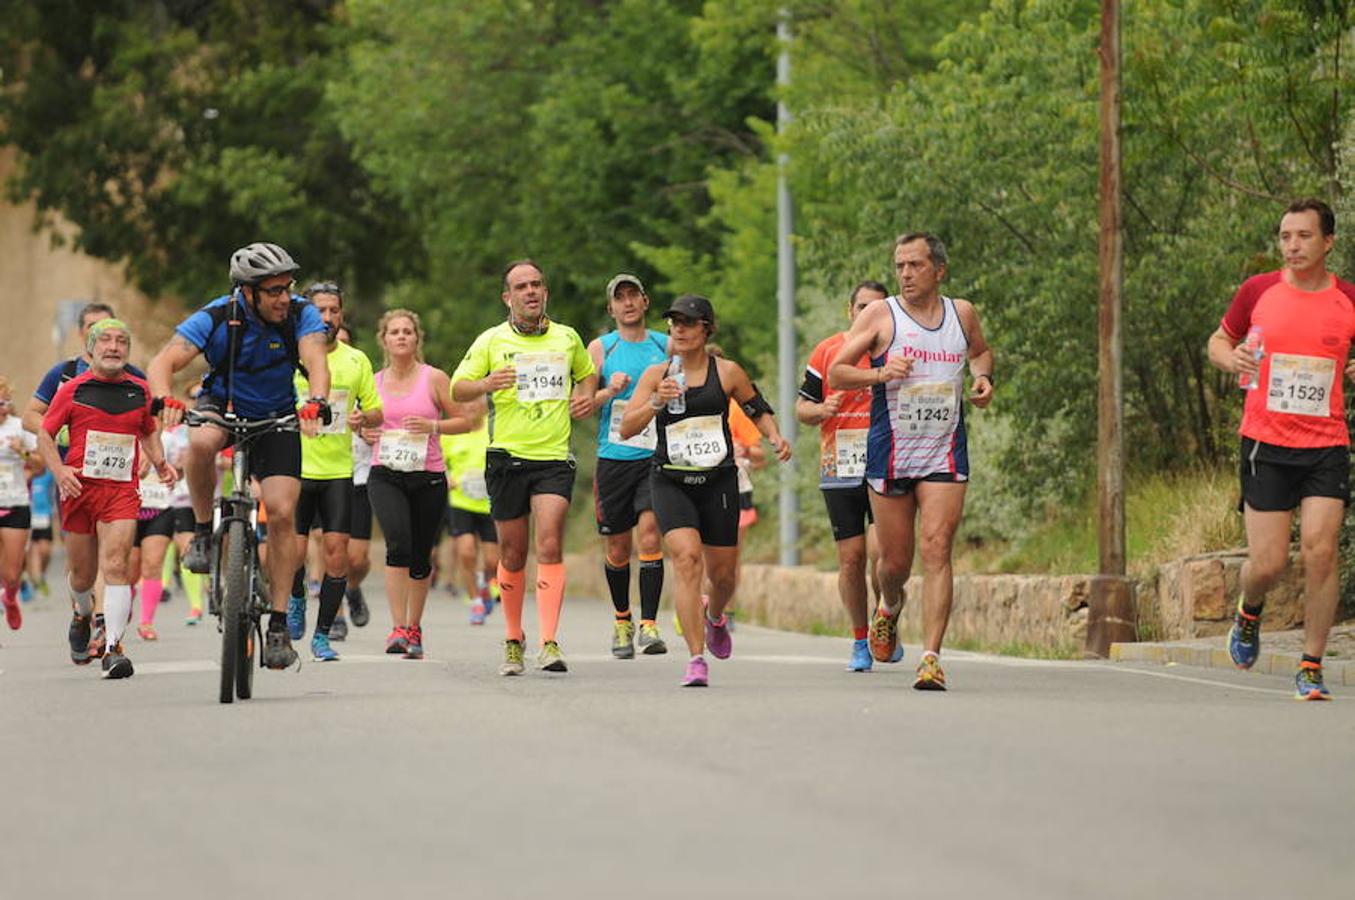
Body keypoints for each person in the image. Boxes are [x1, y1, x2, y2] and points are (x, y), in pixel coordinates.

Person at [148, 241, 331, 671]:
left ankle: (280, 626)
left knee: (284, 512)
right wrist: (162, 397)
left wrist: (317, 399)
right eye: (272, 291)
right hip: (223, 405)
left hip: (278, 413)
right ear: (246, 292)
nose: (283, 298)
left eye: (287, 287)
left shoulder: (301, 313)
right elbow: (164, 361)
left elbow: (315, 359)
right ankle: (200, 534)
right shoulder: (216, 315)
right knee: (200, 443)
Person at [828, 232, 994, 692]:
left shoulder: (962, 314)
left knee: (938, 548)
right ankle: (889, 607)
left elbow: (979, 353)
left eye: (915, 265)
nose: (904, 274)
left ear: (939, 270)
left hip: (944, 449)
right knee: (895, 564)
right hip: (891, 454)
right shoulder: (883, 315)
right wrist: (880, 372)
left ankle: (931, 657)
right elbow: (839, 371)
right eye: (900, 265)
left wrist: (982, 379)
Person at [1206, 197, 1355, 701]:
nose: (1292, 245)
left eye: (1304, 236)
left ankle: (1311, 664)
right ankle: (1250, 612)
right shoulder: (1259, 291)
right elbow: (1218, 342)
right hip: (1265, 443)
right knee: (1268, 564)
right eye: (1286, 236)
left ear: (1328, 242)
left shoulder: (1348, 298)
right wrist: (1233, 360)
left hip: (1326, 444)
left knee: (1321, 551)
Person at [620, 294, 792, 687]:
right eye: (674, 322)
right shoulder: (656, 375)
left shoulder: (727, 371)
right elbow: (628, 427)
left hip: (718, 482)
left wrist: (775, 436)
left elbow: (755, 406)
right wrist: (654, 403)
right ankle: (696, 659)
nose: (679, 329)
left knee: (724, 575)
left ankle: (715, 616)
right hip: (670, 481)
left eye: (688, 322)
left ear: (706, 328)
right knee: (686, 561)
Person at [451, 259, 597, 675]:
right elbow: (456, 385)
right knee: (513, 553)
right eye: (521, 287)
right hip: (506, 457)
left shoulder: (567, 338)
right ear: (508, 297)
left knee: (549, 543)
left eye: (536, 285)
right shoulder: (491, 340)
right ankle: (514, 638)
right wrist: (486, 383)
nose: (530, 292)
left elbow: (586, 374)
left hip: (552, 457)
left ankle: (549, 641)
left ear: (545, 292)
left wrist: (584, 397)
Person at [37, 319, 177, 678]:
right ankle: (82, 613)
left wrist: (160, 463)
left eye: (121, 342)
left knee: (115, 566)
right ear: (92, 348)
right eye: (107, 341)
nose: (114, 348)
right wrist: (60, 471)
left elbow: (148, 430)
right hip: (80, 490)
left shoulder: (140, 390)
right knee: (82, 576)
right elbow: (45, 434)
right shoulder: (72, 389)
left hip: (120, 491)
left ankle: (113, 648)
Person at [286, 282, 383, 662]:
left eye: (334, 311)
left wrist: (363, 417)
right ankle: (295, 597)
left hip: (337, 470)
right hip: (295, 468)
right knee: (293, 553)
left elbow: (376, 411)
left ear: (342, 315)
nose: (327, 318)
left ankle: (322, 635)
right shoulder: (289, 355)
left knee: (337, 554)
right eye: (320, 310)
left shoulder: (356, 360)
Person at [798, 280, 889, 672]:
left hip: (887, 462)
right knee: (851, 559)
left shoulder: (896, 347)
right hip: (840, 465)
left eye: (877, 308)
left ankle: (886, 616)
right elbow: (802, 409)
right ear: (850, 311)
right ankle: (859, 639)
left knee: (883, 554)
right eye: (862, 307)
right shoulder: (828, 351)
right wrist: (822, 411)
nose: (868, 314)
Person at [369, 309, 466, 660]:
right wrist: (362, 429)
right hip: (386, 473)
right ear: (384, 339)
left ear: (416, 338)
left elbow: (464, 421)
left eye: (407, 331)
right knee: (398, 543)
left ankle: (414, 626)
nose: (401, 337)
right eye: (394, 331)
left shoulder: (434, 378)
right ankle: (397, 627)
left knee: (421, 554)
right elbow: (362, 424)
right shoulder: (374, 381)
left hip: (428, 475)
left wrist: (433, 427)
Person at [587, 273, 670, 658]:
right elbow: (581, 405)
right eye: (619, 298)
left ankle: (649, 624)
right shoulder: (601, 349)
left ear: (645, 301)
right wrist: (610, 390)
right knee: (618, 548)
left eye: (633, 295)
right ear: (611, 308)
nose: (628, 303)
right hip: (614, 458)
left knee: (651, 534)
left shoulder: (664, 345)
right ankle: (622, 620)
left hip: (654, 455)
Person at [440, 398, 500, 625]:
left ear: (485, 404)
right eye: (466, 402)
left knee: (493, 561)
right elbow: (439, 462)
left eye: (476, 401)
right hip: (461, 502)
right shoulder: (451, 432)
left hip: (489, 503)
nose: (470, 406)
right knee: (466, 551)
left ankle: (485, 586)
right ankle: (475, 600)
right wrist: (447, 478)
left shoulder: (494, 427)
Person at [1, 376, 43, 630]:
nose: (3, 407)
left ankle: (10, 597)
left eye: (6, 401)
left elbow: (40, 466)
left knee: (12, 573)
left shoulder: (19, 427)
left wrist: (22, 452)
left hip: (16, 503)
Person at [25, 468, 57, 600]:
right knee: (32, 553)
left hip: (45, 516)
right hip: (29, 515)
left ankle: (41, 575)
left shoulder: (47, 474)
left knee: (45, 551)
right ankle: (35, 582)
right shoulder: (24, 473)